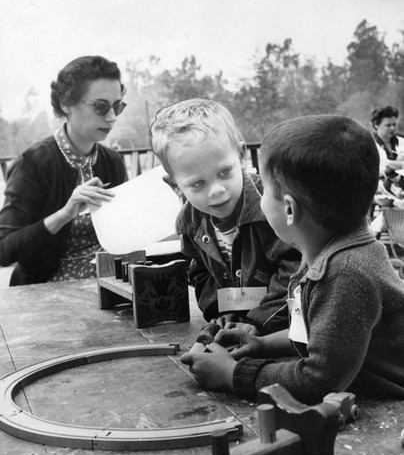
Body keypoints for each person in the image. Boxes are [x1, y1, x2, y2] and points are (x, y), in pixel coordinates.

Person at [180, 115, 404, 405]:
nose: (258, 199)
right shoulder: (326, 250)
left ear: (288, 210)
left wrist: (233, 373)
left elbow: (319, 380)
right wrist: (260, 344)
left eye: (265, 191)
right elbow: (320, 334)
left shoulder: (345, 274)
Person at [149, 99, 301, 335]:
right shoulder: (189, 225)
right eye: (198, 183)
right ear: (175, 186)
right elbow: (201, 274)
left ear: (241, 156)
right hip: (242, 327)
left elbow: (296, 269)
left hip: (288, 327)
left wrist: (257, 322)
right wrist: (221, 312)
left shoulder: (274, 207)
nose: (217, 190)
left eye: (225, 172)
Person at [0, 55, 128, 285]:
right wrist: (65, 214)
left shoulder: (112, 161)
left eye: (118, 106)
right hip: (48, 289)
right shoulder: (32, 164)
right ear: (66, 103)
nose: (112, 117)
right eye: (101, 106)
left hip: (109, 283)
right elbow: (4, 250)